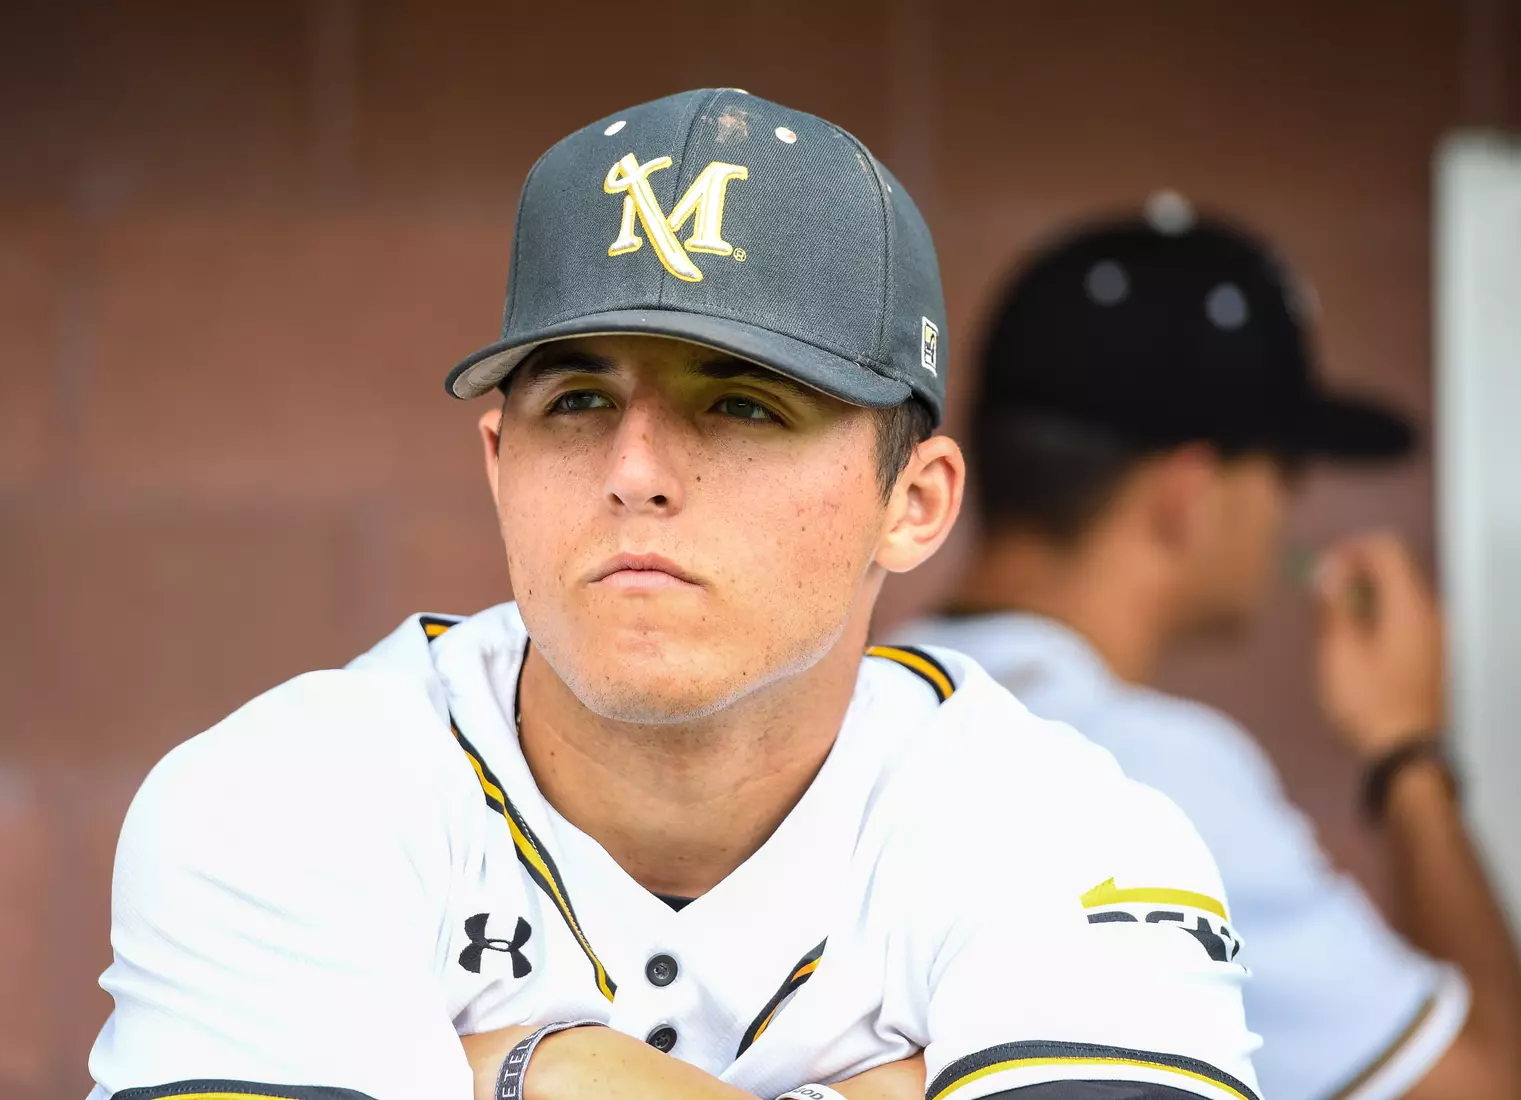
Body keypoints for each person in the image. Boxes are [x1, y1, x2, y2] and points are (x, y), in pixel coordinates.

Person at [86, 93, 1262, 1100]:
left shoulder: (1059, 833)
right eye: (578, 402)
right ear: (496, 462)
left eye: (743, 404)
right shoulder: (288, 799)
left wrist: (519, 1066)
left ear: (913, 500)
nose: (635, 472)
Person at [896, 205, 1521, 1100]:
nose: (1285, 515)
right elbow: (1484, 1084)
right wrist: (1406, 752)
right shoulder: (1152, 775)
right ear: (1188, 494)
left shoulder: (863, 697)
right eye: (1282, 474)